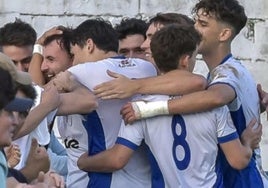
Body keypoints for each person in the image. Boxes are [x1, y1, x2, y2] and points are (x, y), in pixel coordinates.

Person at [93, 0, 266, 187]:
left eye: (203, 24)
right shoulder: (221, 75)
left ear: (224, 34)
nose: (195, 29)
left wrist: (147, 108)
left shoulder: (225, 75)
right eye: (196, 22)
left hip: (242, 180)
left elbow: (215, 98)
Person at [50, 18, 158, 188]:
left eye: (74, 54)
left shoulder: (80, 72)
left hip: (107, 180)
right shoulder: (148, 68)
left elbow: (38, 100)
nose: (74, 61)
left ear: (89, 45)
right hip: (145, 180)